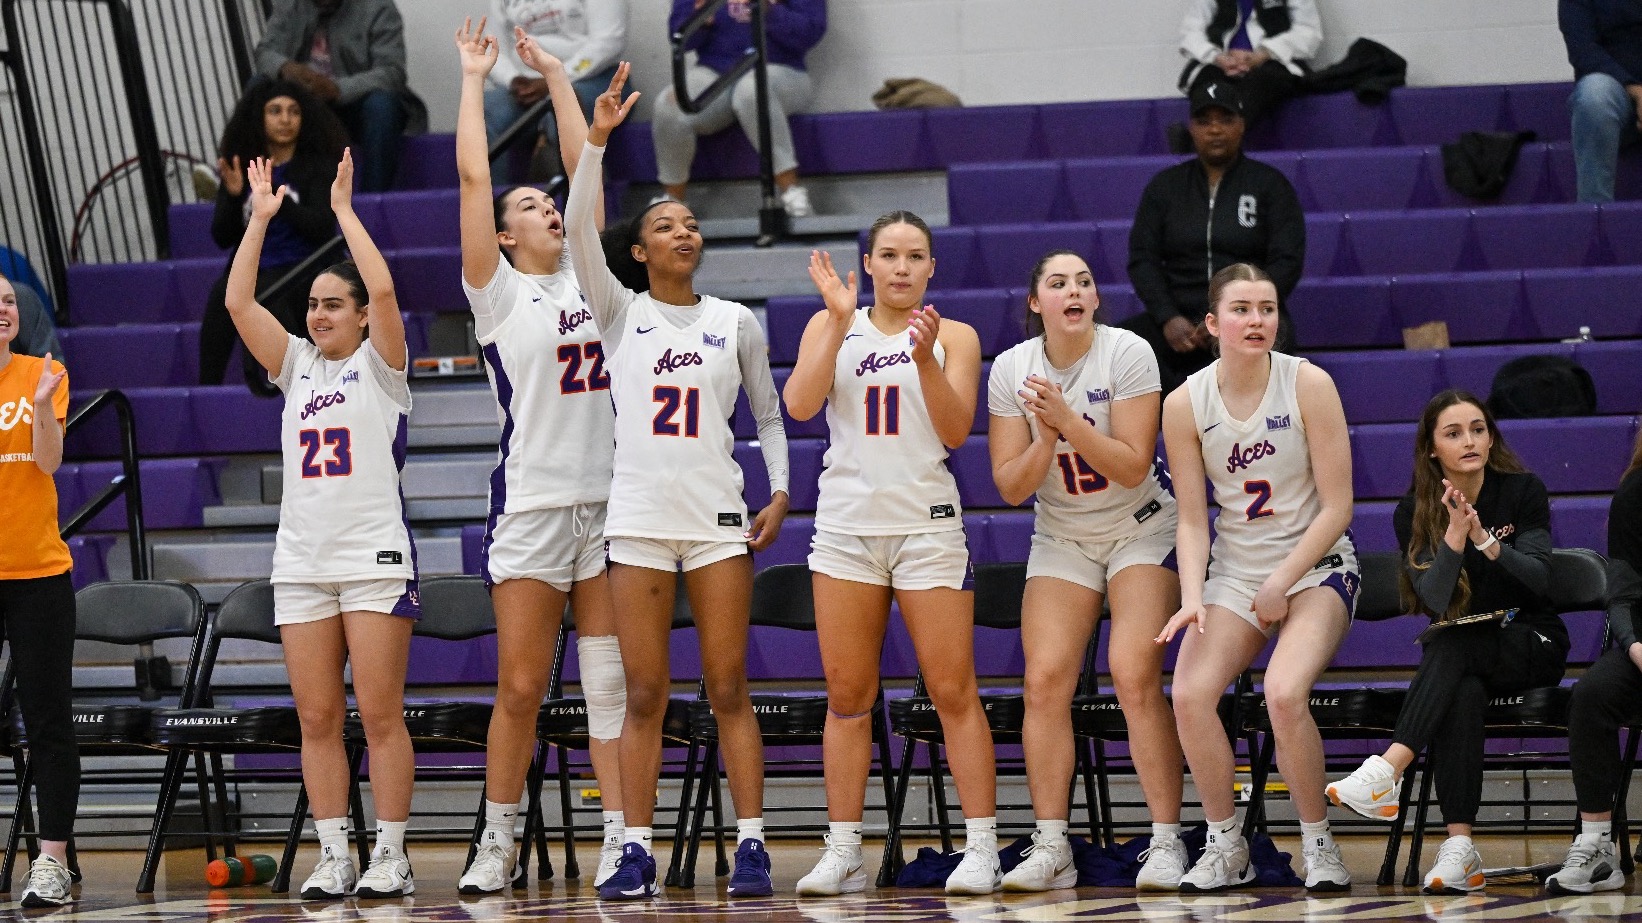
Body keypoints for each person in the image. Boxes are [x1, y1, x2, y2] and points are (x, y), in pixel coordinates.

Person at [568, 67, 791, 901]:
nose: (684, 231)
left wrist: (779, 491)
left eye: (692, 223)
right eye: (666, 224)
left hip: (717, 518)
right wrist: (594, 142)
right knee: (647, 691)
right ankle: (634, 846)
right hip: (638, 520)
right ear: (639, 249)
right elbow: (579, 240)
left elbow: (769, 416)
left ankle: (753, 845)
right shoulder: (619, 312)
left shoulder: (737, 321)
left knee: (729, 684)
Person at [452, 18, 628, 893]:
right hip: (532, 505)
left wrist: (560, 76)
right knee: (521, 687)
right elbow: (474, 176)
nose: (544, 208)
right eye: (527, 207)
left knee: (607, 686)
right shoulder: (497, 295)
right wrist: (473, 79)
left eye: (546, 202)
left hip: (610, 504)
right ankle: (498, 836)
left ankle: (618, 837)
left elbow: (584, 168)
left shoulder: (593, 279)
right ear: (504, 234)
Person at [784, 215, 998, 897]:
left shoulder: (956, 335)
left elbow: (957, 428)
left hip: (926, 525)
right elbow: (799, 404)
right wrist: (839, 319)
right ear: (867, 263)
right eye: (889, 256)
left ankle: (983, 846)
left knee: (952, 689)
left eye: (915, 256)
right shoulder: (831, 323)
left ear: (932, 267)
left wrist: (927, 358)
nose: (902, 267)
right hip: (846, 527)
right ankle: (844, 848)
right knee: (847, 696)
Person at [226, 150, 419, 899]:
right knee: (315, 717)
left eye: (333, 304)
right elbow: (241, 305)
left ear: (362, 316)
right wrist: (260, 218)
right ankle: (336, 850)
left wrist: (342, 212)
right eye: (312, 303)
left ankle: (392, 853)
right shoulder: (296, 364)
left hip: (372, 558)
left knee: (377, 713)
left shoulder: (383, 365)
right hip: (302, 559)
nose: (318, 313)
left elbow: (385, 283)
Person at [986, 251, 1185, 892]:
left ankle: (1165, 842)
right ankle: (1052, 847)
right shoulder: (1012, 369)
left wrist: (1067, 420)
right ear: (1035, 303)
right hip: (1064, 536)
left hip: (1140, 527)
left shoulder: (1127, 353)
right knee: (1043, 682)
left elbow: (1131, 466)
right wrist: (1045, 439)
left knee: (1132, 672)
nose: (1073, 290)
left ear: (1096, 300)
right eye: (1057, 282)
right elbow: (1011, 487)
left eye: (1084, 282)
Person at [1156, 263, 1356, 893]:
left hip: (1316, 566)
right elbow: (1192, 519)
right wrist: (1193, 597)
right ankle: (1225, 843)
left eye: (1266, 308)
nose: (1256, 320)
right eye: (1241, 309)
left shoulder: (1309, 383)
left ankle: (1318, 845)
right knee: (1188, 694)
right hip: (1237, 572)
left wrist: (1284, 580)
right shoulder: (1185, 402)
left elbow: (1339, 506)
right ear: (1213, 324)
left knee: (1283, 692)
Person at [1327, 391, 1569, 894]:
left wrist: (1487, 541)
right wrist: (1456, 536)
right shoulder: (1413, 511)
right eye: (1454, 433)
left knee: (1448, 649)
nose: (1470, 441)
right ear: (1432, 448)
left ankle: (1388, 769)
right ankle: (1460, 847)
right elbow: (1436, 599)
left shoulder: (1522, 490)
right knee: (1458, 684)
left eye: (1478, 429)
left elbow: (1540, 580)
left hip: (1532, 637)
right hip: (1467, 652)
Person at [1126, 80, 1305, 394]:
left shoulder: (1270, 185)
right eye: (1204, 121)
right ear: (1192, 129)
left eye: (1225, 119)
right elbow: (1143, 260)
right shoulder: (1164, 187)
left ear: (1241, 125)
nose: (1215, 130)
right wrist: (1168, 317)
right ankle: (1175, 418)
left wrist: (1240, 313)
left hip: (1248, 313)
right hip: (1178, 319)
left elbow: (1287, 259)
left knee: (1281, 343)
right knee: (1121, 349)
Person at [0, 275, 78, 908]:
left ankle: (51, 863)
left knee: (48, 722)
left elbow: (48, 463)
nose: (4, 308)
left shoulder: (42, 374)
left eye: (7, 300)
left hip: (38, 575)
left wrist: (47, 405)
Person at [1545, 430, 1642, 895]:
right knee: (1591, 696)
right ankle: (1598, 847)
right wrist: (1634, 645)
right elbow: (1622, 593)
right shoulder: (1635, 493)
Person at [202, 79, 345, 389]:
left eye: (293, 111)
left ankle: (299, 389)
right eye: (275, 111)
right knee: (221, 295)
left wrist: (275, 204)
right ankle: (206, 391)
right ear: (259, 117)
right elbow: (222, 237)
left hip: (305, 264)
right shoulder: (245, 166)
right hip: (257, 264)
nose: (285, 119)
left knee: (269, 293)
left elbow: (322, 227)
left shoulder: (317, 166)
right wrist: (233, 195)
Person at [651, 0, 827, 217]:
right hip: (717, 70)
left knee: (752, 90)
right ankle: (673, 203)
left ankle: (791, 191)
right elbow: (679, 36)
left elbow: (809, 33)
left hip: (783, 69)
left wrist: (767, 9)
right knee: (669, 105)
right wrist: (701, 18)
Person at [255, 0, 429, 191]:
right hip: (304, 109)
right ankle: (247, 194)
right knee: (257, 87)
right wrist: (285, 68)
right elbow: (265, 52)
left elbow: (392, 72)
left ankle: (371, 204)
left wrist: (338, 89)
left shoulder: (379, 7)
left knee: (382, 105)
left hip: (354, 107)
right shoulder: (291, 5)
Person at [484, 0, 627, 181]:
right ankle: (496, 203)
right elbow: (493, 49)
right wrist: (513, 79)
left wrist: (556, 78)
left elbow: (608, 43)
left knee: (563, 108)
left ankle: (590, 202)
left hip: (591, 79)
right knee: (485, 110)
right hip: (528, 82)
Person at [1178, 0, 1321, 130]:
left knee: (1264, 80)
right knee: (1208, 83)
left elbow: (1309, 32)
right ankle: (1202, 143)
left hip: (1273, 62)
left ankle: (1200, 144)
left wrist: (1266, 52)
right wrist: (1218, 57)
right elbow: (1190, 32)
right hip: (1220, 64)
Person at [1560, 0, 1642, 203]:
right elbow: (1583, 51)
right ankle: (1595, 215)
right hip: (1615, 90)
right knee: (1594, 95)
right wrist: (1638, 93)